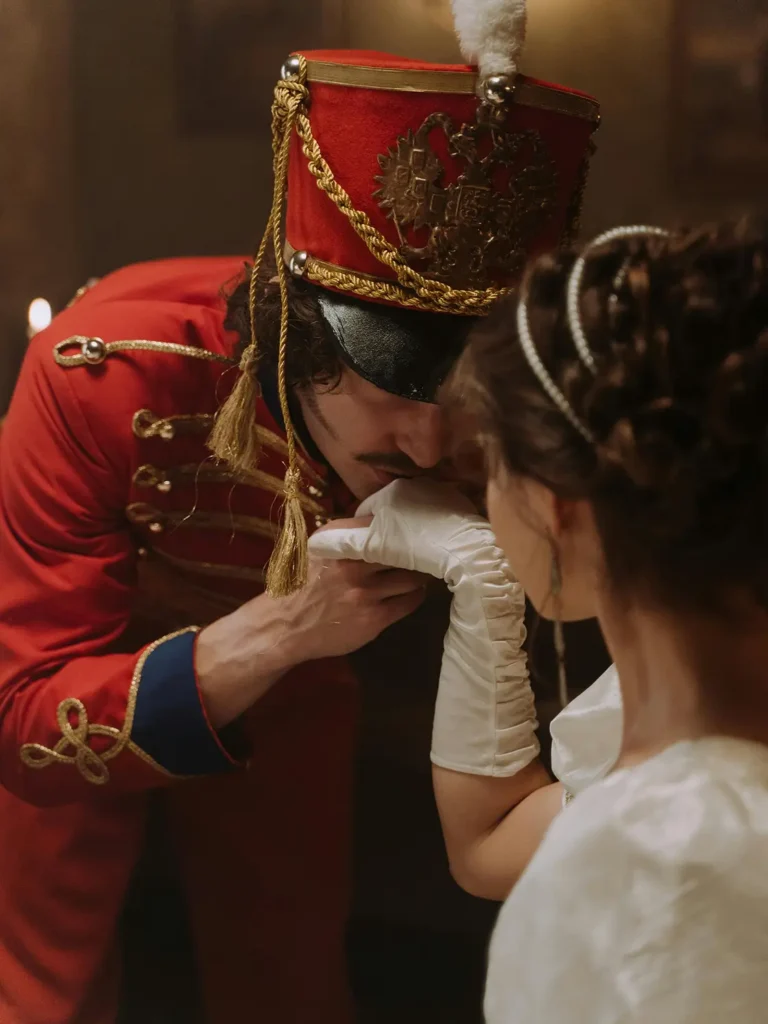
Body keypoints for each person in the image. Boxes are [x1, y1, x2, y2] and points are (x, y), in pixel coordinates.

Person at [0, 0, 600, 1019]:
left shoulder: (514, 408)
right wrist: (282, 628)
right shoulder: (103, 371)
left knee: (289, 970)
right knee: (40, 980)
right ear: (302, 336)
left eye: (457, 402)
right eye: (389, 389)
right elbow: (23, 721)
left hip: (303, 686)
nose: (427, 448)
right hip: (91, 659)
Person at [317, 220, 768, 1021]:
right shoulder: (680, 708)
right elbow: (490, 844)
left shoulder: (651, 865)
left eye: (491, 463)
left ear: (557, 507)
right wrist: (486, 587)